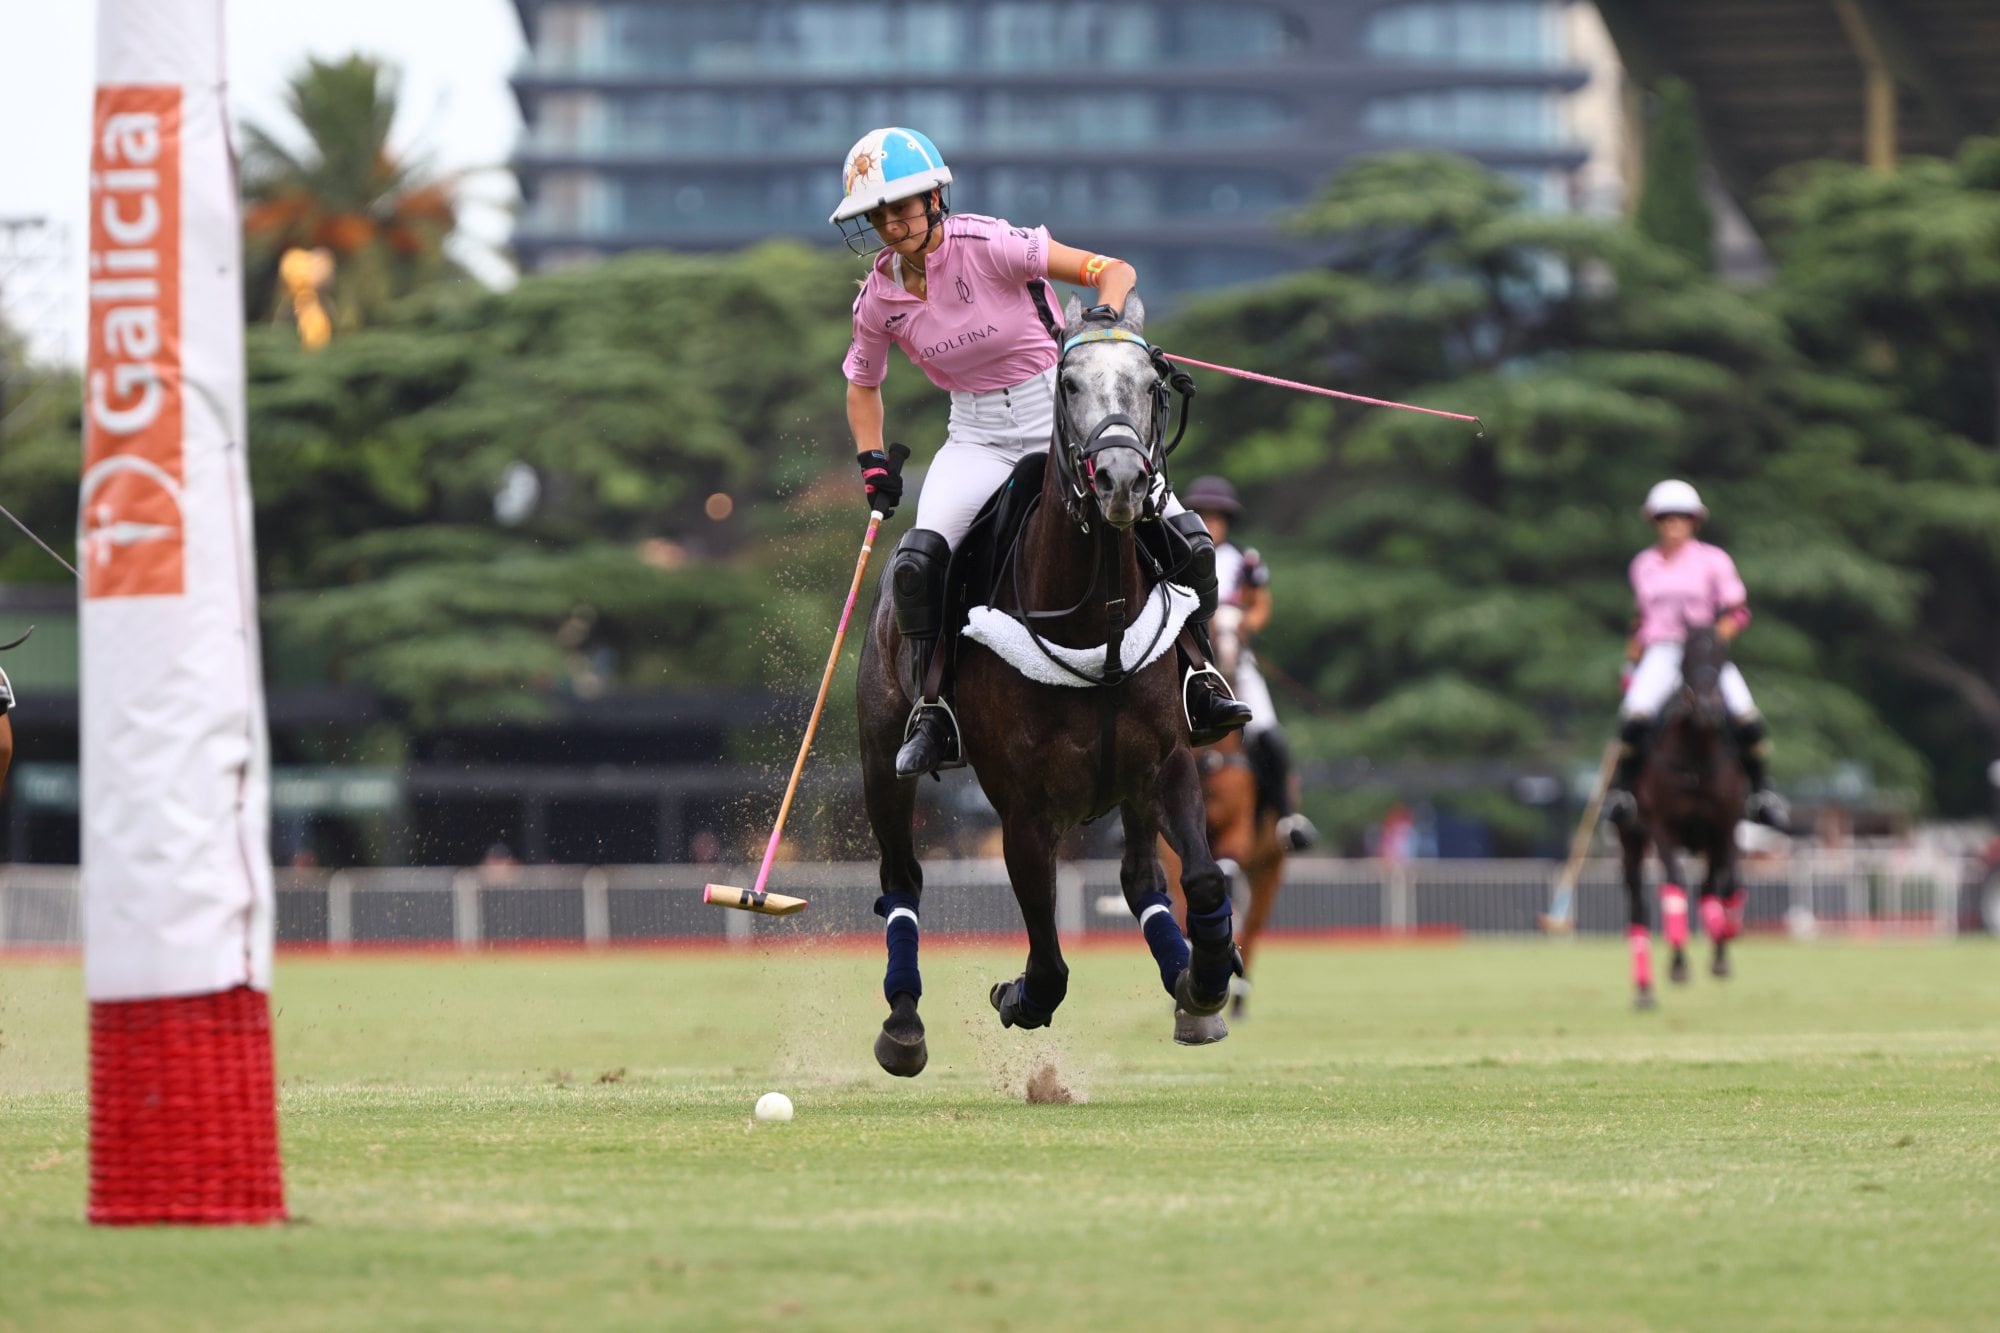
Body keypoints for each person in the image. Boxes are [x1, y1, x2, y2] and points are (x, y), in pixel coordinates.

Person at [833, 127, 1251, 777]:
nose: (890, 222)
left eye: (902, 204)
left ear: (936, 196)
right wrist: (871, 462)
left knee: (1188, 541)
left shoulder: (992, 243)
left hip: (1060, 420)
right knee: (918, 563)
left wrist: (1108, 319)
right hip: (974, 436)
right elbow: (863, 382)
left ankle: (1199, 680)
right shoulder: (879, 298)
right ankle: (936, 710)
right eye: (876, 213)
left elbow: (1113, 271)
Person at [1601, 479, 1787, 830]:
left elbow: (1737, 612)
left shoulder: (1713, 560)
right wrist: (1631, 663)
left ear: (1693, 521)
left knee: (1746, 714)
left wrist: (1713, 640)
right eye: (1666, 517)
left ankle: (1763, 792)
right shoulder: (1643, 564)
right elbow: (1640, 619)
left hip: (1703, 653)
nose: (1673, 524)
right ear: (1655, 522)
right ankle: (1623, 795)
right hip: (1662, 651)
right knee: (1634, 716)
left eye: (1681, 517)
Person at [1183, 475, 1317, 850]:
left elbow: (1260, 606)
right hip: (1188, 662)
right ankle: (1133, 827)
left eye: (1217, 516)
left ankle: (1287, 816)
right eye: (1203, 515)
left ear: (1227, 520)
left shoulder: (1245, 560)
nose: (1210, 523)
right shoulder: (1177, 553)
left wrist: (1243, 626)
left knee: (1270, 734)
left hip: (1236, 663)